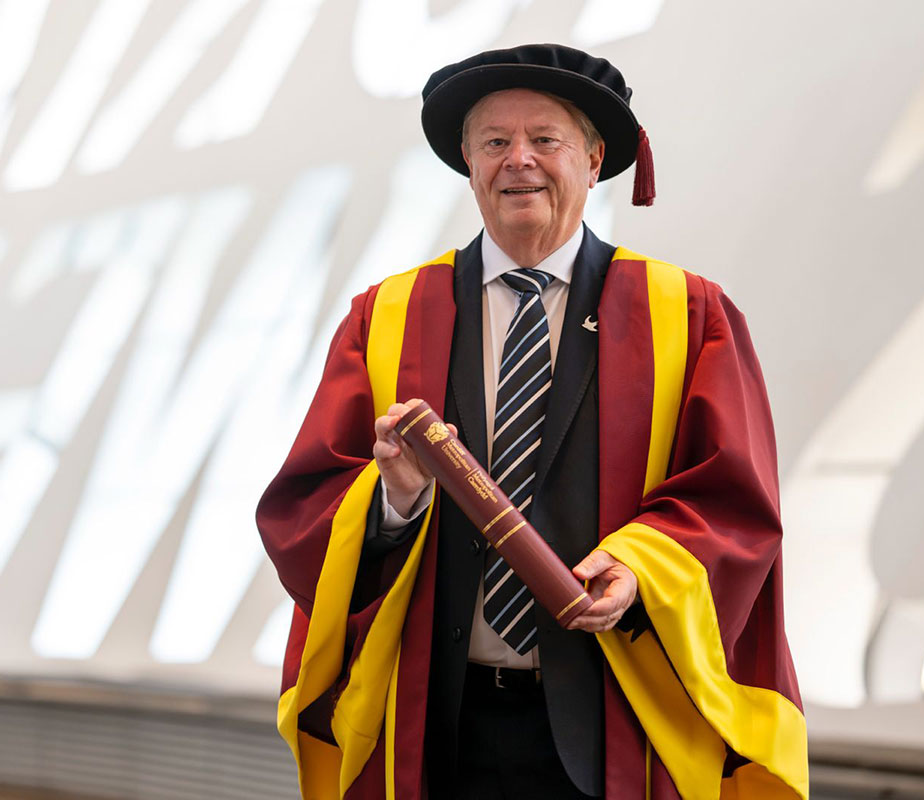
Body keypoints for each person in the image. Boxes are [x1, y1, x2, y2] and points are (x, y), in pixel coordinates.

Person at [257, 44, 808, 799]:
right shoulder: (387, 316)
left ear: (593, 158)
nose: (518, 160)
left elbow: (736, 503)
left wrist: (643, 569)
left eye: (544, 140)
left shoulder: (687, 314)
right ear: (468, 161)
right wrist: (393, 500)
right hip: (434, 725)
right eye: (494, 142)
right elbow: (306, 506)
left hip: (618, 717)